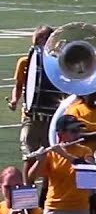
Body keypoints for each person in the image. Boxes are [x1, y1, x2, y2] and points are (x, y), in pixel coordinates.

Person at [7, 26, 55, 168]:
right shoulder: (25, 62)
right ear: (37, 39)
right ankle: (27, 182)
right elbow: (19, 85)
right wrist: (14, 100)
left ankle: (47, 182)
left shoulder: (56, 62)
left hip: (51, 115)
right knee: (29, 154)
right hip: (31, 114)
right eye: (45, 38)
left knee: (51, 155)